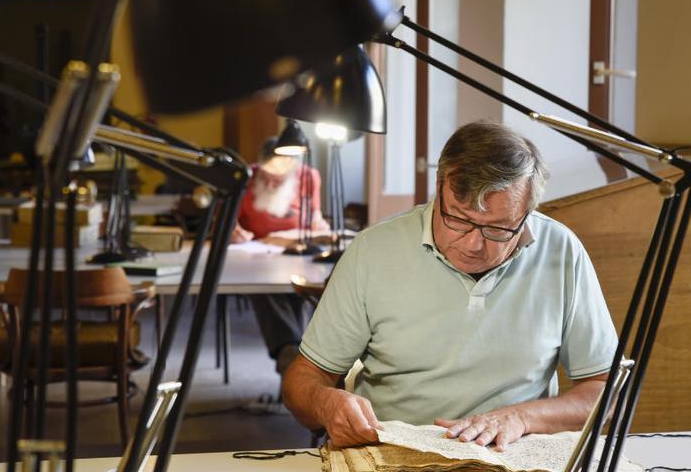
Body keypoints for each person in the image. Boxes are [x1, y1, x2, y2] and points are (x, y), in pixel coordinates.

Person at [282, 121, 618, 450]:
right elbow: (302, 380)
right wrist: (326, 403)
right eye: (457, 219)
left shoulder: (560, 251)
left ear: (527, 212)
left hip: (513, 455)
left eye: (498, 229)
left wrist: (522, 417)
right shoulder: (372, 251)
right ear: (439, 188)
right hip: (394, 453)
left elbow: (606, 390)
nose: (473, 244)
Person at [230, 137, 329, 410]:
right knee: (268, 289)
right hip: (258, 256)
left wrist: (318, 227)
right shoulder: (247, 177)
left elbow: (316, 216)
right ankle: (293, 363)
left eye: (280, 176)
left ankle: (295, 363)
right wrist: (232, 230)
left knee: (309, 290)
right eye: (269, 175)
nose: (273, 181)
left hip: (300, 254)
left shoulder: (308, 176)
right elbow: (227, 221)